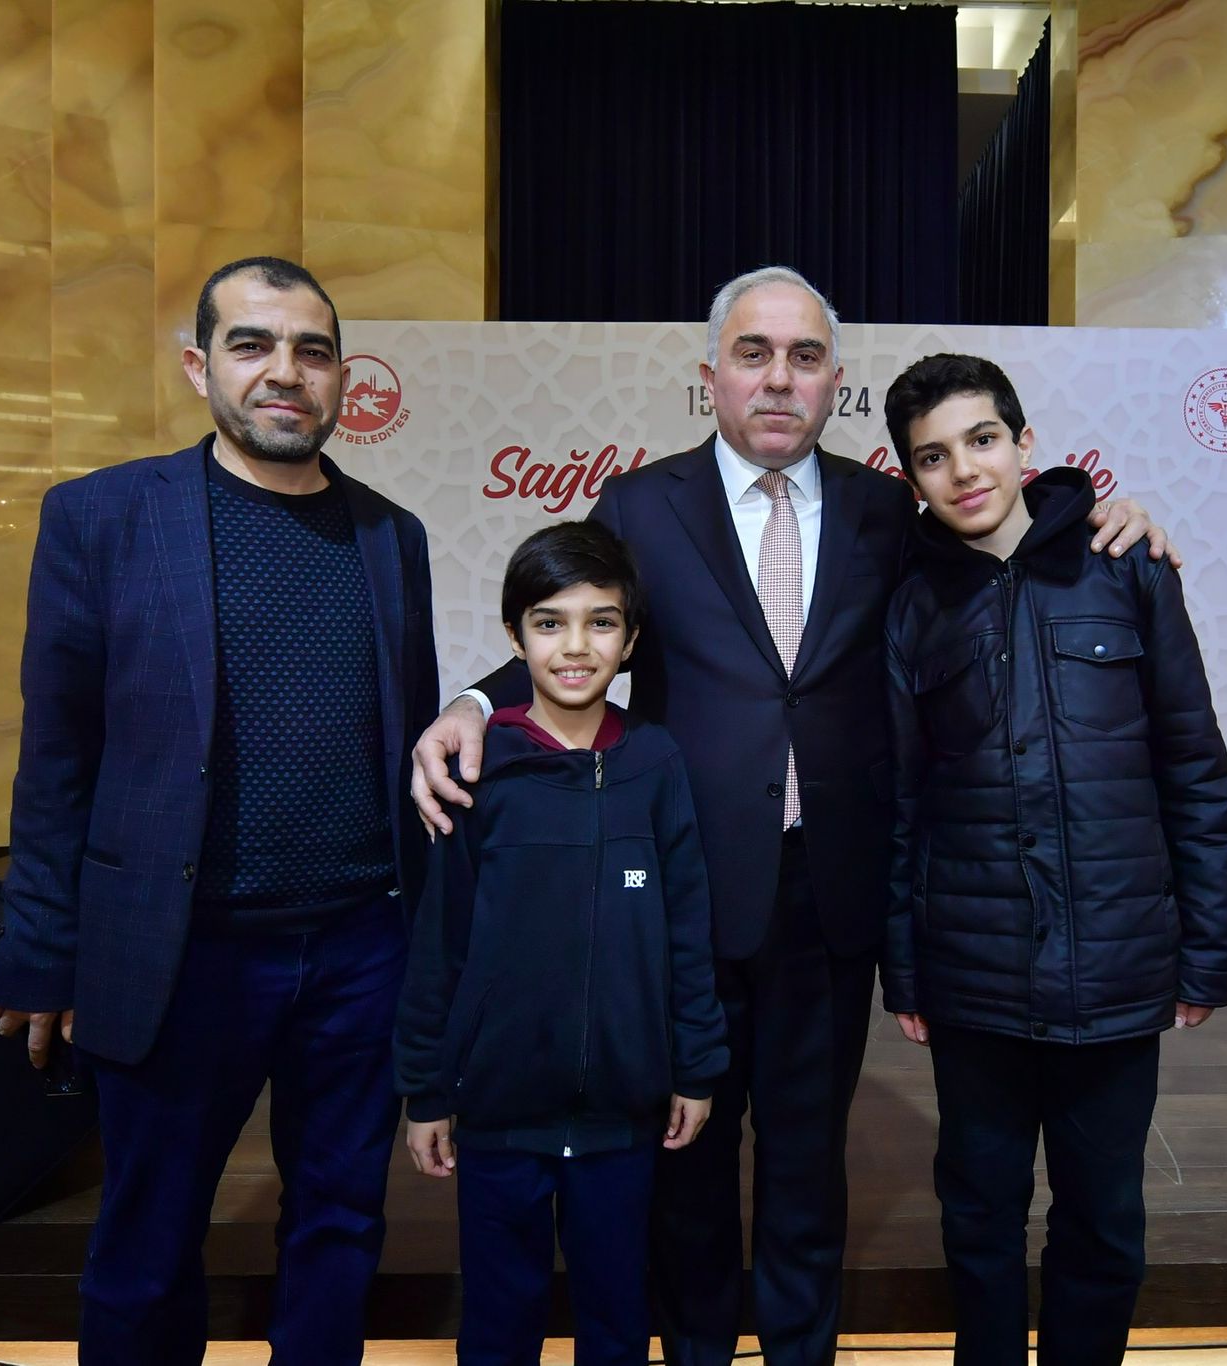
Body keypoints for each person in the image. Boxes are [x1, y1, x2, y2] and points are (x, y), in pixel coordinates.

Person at [410, 266, 1173, 1366]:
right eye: (754, 354)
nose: (779, 378)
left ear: (834, 383)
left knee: (808, 1159)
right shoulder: (641, 505)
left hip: (831, 889)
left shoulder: (885, 508)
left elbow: (997, 541)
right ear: (710, 374)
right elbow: (571, 625)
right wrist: (477, 703)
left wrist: (1097, 510)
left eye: (804, 357)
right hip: (684, 891)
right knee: (685, 1157)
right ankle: (698, 1349)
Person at [0, 256, 439, 1366]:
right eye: (252, 344)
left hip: (362, 949)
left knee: (341, 1222)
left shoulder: (393, 535)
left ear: (340, 376)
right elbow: (57, 757)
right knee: (148, 1239)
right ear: (199, 367)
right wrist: (42, 953)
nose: (285, 372)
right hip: (179, 951)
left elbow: (407, 741)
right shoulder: (101, 517)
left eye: (312, 350)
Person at [877, 353, 1227, 1366]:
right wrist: (904, 967)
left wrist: (1212, 942)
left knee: (1102, 1221)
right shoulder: (911, 607)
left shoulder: (1125, 565)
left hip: (1115, 970)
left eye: (981, 440)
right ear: (911, 478)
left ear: (1024, 443)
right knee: (978, 1217)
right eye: (933, 457)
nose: (964, 470)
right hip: (973, 977)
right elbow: (903, 803)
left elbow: (1194, 765)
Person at [394, 520, 730, 1366]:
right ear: (515, 638)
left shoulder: (656, 761)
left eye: (600, 622)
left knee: (615, 1318)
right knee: (499, 1321)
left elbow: (687, 930)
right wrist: (426, 1090)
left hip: (623, 1114)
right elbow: (440, 943)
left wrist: (695, 1067)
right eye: (550, 623)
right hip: (500, 1114)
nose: (575, 647)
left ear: (631, 639)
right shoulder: (481, 769)